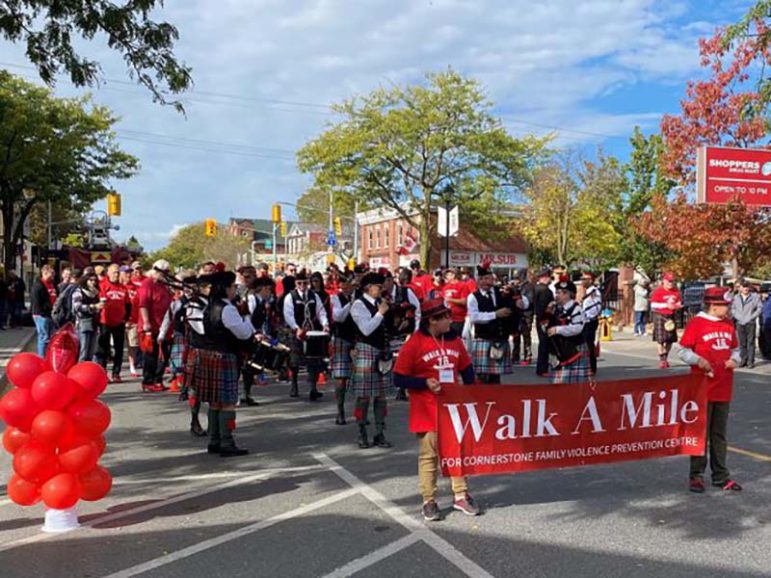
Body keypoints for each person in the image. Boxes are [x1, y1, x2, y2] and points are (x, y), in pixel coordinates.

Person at [393, 299, 479, 521]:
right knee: (429, 455)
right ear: (432, 320)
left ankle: (460, 495)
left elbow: (467, 371)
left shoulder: (455, 341)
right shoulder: (415, 344)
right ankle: (429, 500)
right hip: (427, 408)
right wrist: (424, 383)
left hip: (453, 408)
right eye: (445, 317)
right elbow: (398, 378)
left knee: (456, 452)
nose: (451, 320)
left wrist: (477, 394)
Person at [678, 287, 742, 493]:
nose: (728, 309)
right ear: (714, 306)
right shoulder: (697, 323)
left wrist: (735, 360)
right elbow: (683, 350)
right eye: (725, 306)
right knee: (700, 434)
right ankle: (696, 476)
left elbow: (736, 349)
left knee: (719, 434)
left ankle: (721, 476)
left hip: (724, 386)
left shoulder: (728, 324)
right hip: (701, 387)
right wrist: (699, 360)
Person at [185, 270, 255, 457]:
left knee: (215, 403)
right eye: (232, 286)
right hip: (224, 356)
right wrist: (247, 317)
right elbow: (244, 333)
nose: (234, 290)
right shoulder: (227, 308)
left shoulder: (210, 305)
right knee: (228, 403)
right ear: (225, 288)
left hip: (209, 355)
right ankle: (227, 441)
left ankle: (214, 440)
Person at [350, 271, 394, 448]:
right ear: (368, 288)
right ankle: (362, 433)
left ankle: (379, 432)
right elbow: (366, 329)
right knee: (363, 397)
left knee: (381, 396)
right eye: (379, 287)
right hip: (367, 350)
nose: (381, 290)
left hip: (382, 351)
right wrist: (381, 313)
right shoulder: (358, 305)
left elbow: (385, 328)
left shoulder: (379, 303)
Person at [282, 270, 330, 400]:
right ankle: (294, 384)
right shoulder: (290, 297)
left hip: (312, 332)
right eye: (299, 283)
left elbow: (322, 313)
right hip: (296, 331)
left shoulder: (314, 296)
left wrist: (325, 324)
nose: (302, 286)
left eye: (305, 283)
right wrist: (296, 328)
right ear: (295, 283)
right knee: (294, 361)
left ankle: (313, 388)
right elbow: (288, 314)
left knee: (313, 360)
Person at [467, 263, 513, 384]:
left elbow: (520, 305)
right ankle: (481, 401)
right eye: (482, 279)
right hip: (483, 340)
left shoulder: (501, 292)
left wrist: (517, 296)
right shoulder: (473, 297)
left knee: (495, 378)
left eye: (488, 278)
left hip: (500, 339)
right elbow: (474, 317)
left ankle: (495, 401)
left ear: (493, 279)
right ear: (478, 280)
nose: (485, 282)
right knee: (481, 377)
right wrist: (495, 314)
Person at [545, 278, 589, 384]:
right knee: (557, 386)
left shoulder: (576, 309)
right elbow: (544, 326)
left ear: (568, 294)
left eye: (559, 293)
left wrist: (558, 330)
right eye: (556, 292)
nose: (556, 295)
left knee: (575, 386)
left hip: (574, 349)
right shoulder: (555, 308)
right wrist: (547, 314)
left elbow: (578, 328)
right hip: (559, 350)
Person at [138, 260, 174, 392]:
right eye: (165, 272)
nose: (166, 275)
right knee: (151, 355)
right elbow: (143, 304)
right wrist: (146, 322)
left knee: (163, 354)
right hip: (151, 326)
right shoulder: (147, 284)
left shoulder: (163, 285)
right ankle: (148, 381)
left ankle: (158, 379)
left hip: (164, 326)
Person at [242, 275, 276, 405]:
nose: (271, 292)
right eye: (269, 289)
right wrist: (255, 333)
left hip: (259, 335)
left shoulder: (264, 302)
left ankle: (247, 394)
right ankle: (245, 394)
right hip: (249, 336)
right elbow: (247, 319)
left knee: (252, 367)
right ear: (263, 288)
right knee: (248, 366)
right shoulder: (252, 300)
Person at [331, 273, 357, 425]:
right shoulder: (336, 298)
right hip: (342, 338)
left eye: (349, 284)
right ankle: (340, 411)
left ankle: (361, 412)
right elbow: (338, 317)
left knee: (362, 378)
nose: (346, 287)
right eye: (344, 285)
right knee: (341, 377)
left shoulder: (361, 297)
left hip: (358, 338)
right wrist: (351, 303)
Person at [97, 264, 130, 381]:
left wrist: (125, 318)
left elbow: (128, 304)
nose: (116, 274)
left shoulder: (123, 288)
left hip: (119, 322)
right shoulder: (102, 286)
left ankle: (116, 373)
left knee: (119, 348)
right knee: (103, 348)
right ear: (108, 273)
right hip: (105, 321)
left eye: (117, 272)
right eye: (114, 272)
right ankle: (103, 372)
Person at [650, 272, 683, 369]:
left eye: (673, 281)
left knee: (670, 339)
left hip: (671, 316)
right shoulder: (658, 291)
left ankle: (665, 358)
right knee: (660, 340)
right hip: (660, 316)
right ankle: (662, 359)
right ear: (664, 281)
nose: (671, 283)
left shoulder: (676, 291)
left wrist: (676, 306)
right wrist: (666, 305)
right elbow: (653, 306)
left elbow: (679, 302)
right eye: (669, 281)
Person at [72, 273, 104, 362]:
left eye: (95, 280)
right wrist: (93, 306)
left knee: (91, 351)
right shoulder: (79, 292)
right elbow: (77, 307)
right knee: (83, 350)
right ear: (85, 280)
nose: (93, 282)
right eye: (90, 280)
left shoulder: (96, 292)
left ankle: (87, 369)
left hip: (94, 323)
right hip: (83, 323)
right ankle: (79, 370)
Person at [731, 280, 762, 369]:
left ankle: (750, 361)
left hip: (750, 323)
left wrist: (752, 317)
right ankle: (743, 360)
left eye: (747, 287)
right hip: (740, 322)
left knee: (750, 343)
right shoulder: (736, 297)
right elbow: (733, 309)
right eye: (744, 287)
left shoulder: (754, 297)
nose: (746, 289)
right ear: (740, 288)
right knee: (742, 343)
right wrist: (737, 317)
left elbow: (759, 308)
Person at [30, 264, 58, 357]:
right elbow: (36, 301)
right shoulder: (38, 285)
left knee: (50, 337)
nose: (53, 276)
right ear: (45, 273)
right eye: (51, 274)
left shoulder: (52, 284)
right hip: (42, 314)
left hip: (50, 314)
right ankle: (42, 357)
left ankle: (47, 355)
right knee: (44, 337)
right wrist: (43, 311)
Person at [579, 272, 602, 375]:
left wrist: (587, 317)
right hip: (584, 321)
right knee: (583, 345)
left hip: (590, 321)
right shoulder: (586, 291)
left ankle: (591, 368)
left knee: (589, 345)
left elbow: (596, 308)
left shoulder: (594, 292)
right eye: (582, 279)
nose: (583, 281)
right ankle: (585, 366)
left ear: (591, 280)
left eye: (585, 279)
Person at [533, 268, 554, 377]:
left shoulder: (536, 288)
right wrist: (545, 320)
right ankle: (542, 368)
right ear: (545, 277)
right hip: (544, 320)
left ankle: (542, 367)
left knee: (543, 344)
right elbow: (544, 307)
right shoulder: (545, 291)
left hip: (539, 319)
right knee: (545, 344)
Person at [441, 268, 469, 336]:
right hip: (447, 319)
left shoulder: (463, 285)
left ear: (453, 275)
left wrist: (450, 299)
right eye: (446, 275)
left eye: (448, 274)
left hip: (459, 319)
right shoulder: (445, 287)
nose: (446, 276)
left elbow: (464, 302)